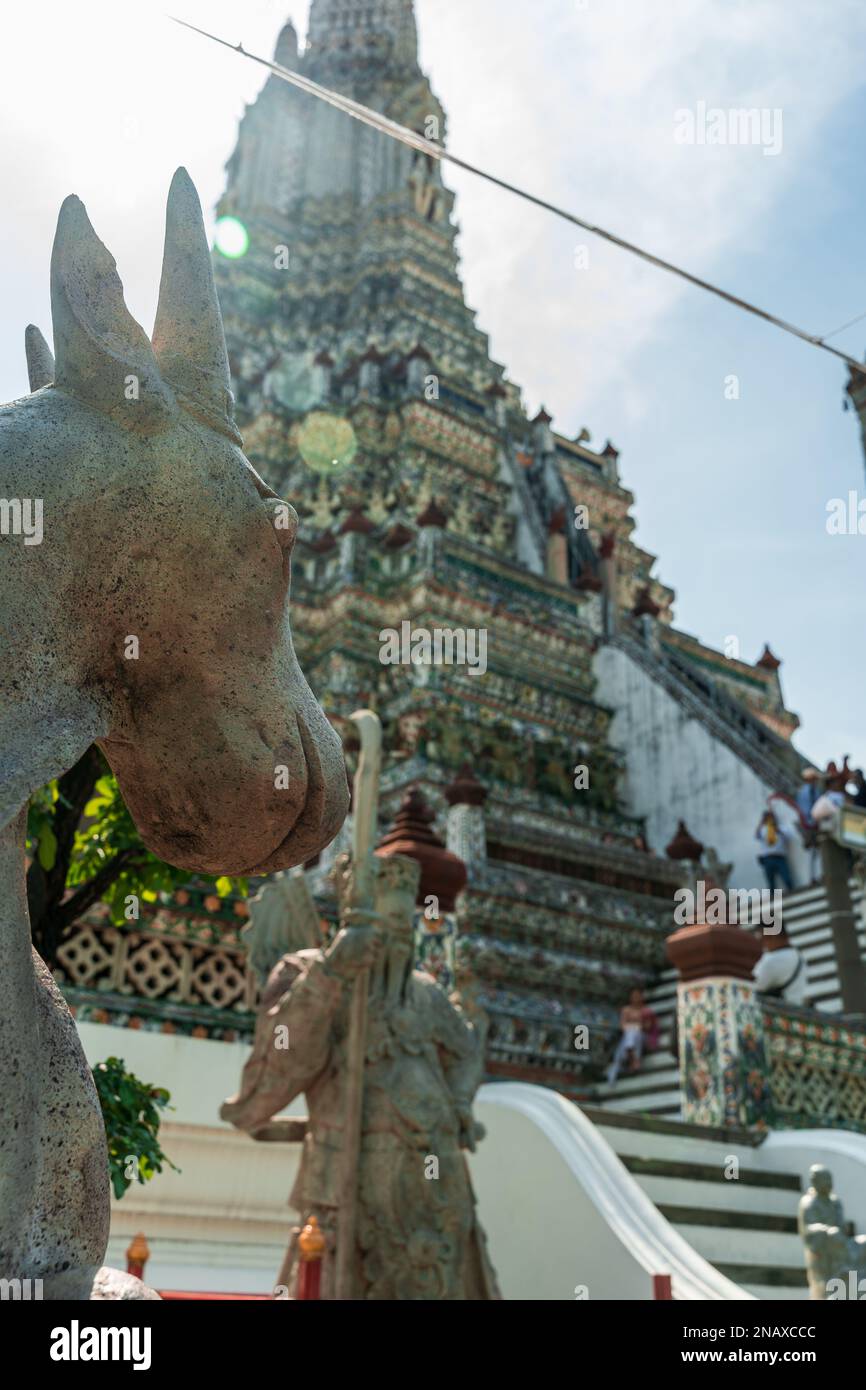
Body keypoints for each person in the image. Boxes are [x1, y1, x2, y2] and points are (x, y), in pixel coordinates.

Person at [607, 988, 653, 1085]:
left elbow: (648, 1026)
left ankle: (632, 1056)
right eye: (634, 996)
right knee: (631, 1033)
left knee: (634, 1034)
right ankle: (634, 1060)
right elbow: (622, 1026)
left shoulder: (646, 1010)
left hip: (642, 1036)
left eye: (638, 996)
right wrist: (634, 1026)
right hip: (629, 1035)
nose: (636, 998)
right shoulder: (626, 1010)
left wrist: (637, 1027)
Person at [752, 926, 807, 1005]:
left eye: (762, 938)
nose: (762, 944)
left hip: (778, 1011)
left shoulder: (772, 961)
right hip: (795, 1008)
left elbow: (753, 986)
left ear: (771, 936)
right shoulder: (799, 956)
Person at [755, 809, 794, 893]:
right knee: (771, 884)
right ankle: (773, 902)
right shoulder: (763, 829)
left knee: (787, 879)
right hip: (767, 858)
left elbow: (789, 836)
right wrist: (761, 823)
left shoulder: (781, 828)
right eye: (767, 817)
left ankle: (793, 895)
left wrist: (777, 830)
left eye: (771, 817)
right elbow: (757, 835)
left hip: (780, 857)